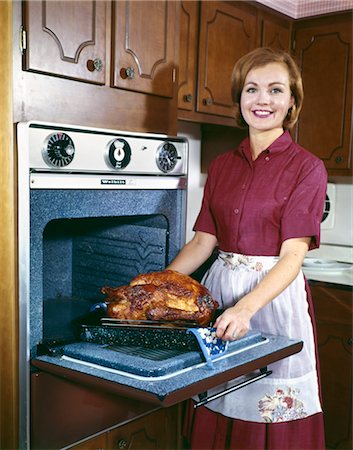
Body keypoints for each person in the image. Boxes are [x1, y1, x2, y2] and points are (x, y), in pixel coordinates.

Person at [167, 47, 327, 450]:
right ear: (240, 99)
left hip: (271, 300)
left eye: (276, 90)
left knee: (267, 408)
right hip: (220, 295)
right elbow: (204, 241)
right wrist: (159, 284)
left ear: (292, 101)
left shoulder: (307, 167)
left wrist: (246, 308)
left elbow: (293, 255)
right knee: (217, 398)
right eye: (252, 89)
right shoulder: (222, 165)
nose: (262, 100)